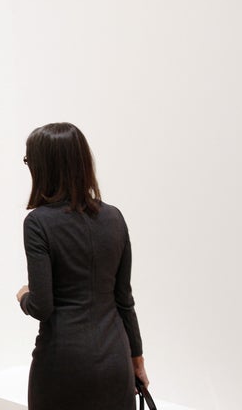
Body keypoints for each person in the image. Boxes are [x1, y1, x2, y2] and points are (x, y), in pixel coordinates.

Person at [15, 123, 149, 410]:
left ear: (43, 167)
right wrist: (137, 360)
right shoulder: (115, 218)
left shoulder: (38, 223)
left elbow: (42, 306)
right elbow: (124, 300)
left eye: (29, 161)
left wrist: (23, 297)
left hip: (63, 365)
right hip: (116, 361)